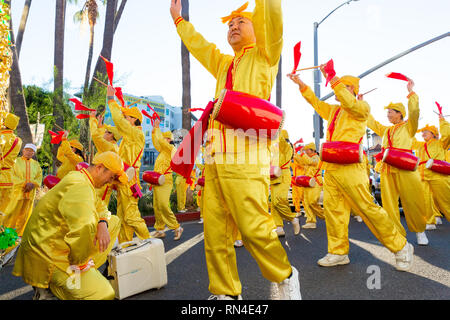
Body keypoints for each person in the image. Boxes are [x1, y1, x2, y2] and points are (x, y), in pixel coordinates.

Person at [170, 0, 301, 300]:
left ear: (258, 29)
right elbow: (200, 45)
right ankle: (226, 293)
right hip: (214, 160)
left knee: (254, 229)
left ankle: (285, 276)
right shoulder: (223, 63)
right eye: (230, 23)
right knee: (215, 233)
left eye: (242, 21)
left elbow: (272, 19)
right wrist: (179, 21)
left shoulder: (266, 54)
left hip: (247, 158)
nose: (233, 26)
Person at [287, 65, 413, 271]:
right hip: (332, 167)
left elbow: (349, 102)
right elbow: (316, 103)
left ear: (352, 90)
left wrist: (332, 77)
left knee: (367, 208)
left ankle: (401, 247)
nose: (336, 90)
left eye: (343, 87)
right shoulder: (334, 111)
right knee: (334, 210)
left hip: (351, 167)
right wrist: (301, 84)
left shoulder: (361, 108)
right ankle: (338, 251)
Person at [12, 151, 126, 300]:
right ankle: (52, 287)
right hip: (48, 255)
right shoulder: (81, 185)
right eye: (110, 177)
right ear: (99, 167)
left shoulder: (83, 180)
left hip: (51, 245)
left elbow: (101, 207)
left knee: (113, 221)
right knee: (104, 293)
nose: (110, 183)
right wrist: (81, 265)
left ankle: (68, 282)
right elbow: (82, 229)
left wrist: (103, 223)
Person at [367, 78, 429, 245]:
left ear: (400, 113)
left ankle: (419, 230)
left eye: (391, 112)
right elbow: (372, 123)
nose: (388, 115)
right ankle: (397, 235)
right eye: (387, 112)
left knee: (412, 200)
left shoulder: (409, 127)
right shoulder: (386, 130)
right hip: (387, 168)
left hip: (406, 167)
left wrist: (411, 93)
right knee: (389, 204)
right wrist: (361, 103)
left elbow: (414, 112)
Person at [107, 85, 151, 243]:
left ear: (133, 120)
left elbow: (119, 123)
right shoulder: (129, 136)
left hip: (129, 179)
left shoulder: (136, 133)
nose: (124, 120)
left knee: (131, 216)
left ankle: (150, 242)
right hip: (123, 177)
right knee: (122, 217)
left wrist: (111, 100)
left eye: (127, 117)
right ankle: (126, 247)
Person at [413, 115, 450, 227]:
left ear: (433, 134)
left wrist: (442, 120)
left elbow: (447, 133)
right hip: (423, 175)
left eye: (426, 131)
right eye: (422, 132)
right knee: (425, 200)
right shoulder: (420, 145)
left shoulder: (441, 143)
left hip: (438, 175)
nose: (423, 133)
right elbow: (410, 139)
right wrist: (410, 124)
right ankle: (430, 221)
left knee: (445, 199)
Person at [150, 118, 183, 241]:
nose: (162, 140)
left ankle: (177, 227)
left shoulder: (170, 149)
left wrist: (157, 128)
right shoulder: (163, 150)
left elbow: (160, 142)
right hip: (157, 179)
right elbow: (156, 141)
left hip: (166, 180)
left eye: (164, 138)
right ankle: (160, 229)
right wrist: (154, 129)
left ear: (169, 139)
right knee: (157, 206)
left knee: (163, 204)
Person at [2, 144, 42, 236]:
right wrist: (24, 184)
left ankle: (18, 235)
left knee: (25, 216)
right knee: (11, 214)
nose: (28, 152)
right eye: (27, 150)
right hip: (17, 193)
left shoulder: (36, 164)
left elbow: (39, 177)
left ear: (33, 153)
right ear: (23, 151)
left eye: (31, 151)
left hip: (30, 194)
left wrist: (33, 184)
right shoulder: (15, 162)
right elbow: (11, 176)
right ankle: (5, 233)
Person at [270, 130, 300, 236]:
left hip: (283, 175)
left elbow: (281, 141)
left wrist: (276, 128)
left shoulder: (286, 146)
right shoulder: (275, 148)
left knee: (279, 201)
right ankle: (278, 227)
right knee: (273, 203)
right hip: (273, 175)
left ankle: (293, 218)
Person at [89, 110, 121, 207]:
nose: (104, 133)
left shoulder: (109, 147)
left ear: (112, 136)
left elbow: (96, 136)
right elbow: (101, 138)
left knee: (97, 206)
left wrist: (92, 119)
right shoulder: (110, 145)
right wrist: (100, 124)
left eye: (106, 132)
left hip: (102, 181)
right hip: (100, 179)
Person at [293, 142, 325, 229]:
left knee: (312, 201)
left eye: (307, 150)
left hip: (316, 182)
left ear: (312, 150)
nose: (306, 151)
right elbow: (300, 162)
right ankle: (311, 221)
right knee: (306, 202)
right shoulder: (308, 158)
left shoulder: (316, 158)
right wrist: (295, 154)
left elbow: (309, 162)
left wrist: (302, 153)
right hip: (307, 182)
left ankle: (325, 215)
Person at [0, 112, 22, 214]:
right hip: (9, 178)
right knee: (3, 210)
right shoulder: (18, 141)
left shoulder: (2, 137)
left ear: (4, 123)